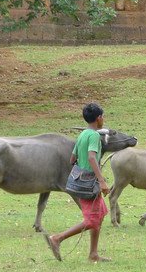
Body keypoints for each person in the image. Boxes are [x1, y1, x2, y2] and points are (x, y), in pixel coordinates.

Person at [44, 102, 111, 262]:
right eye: (103, 116)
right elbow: (91, 157)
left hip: (80, 180)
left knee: (99, 215)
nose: (103, 119)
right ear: (99, 118)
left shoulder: (82, 135)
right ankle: (57, 239)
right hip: (89, 183)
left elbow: (72, 159)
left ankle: (93, 254)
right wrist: (101, 181)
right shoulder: (94, 135)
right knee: (92, 220)